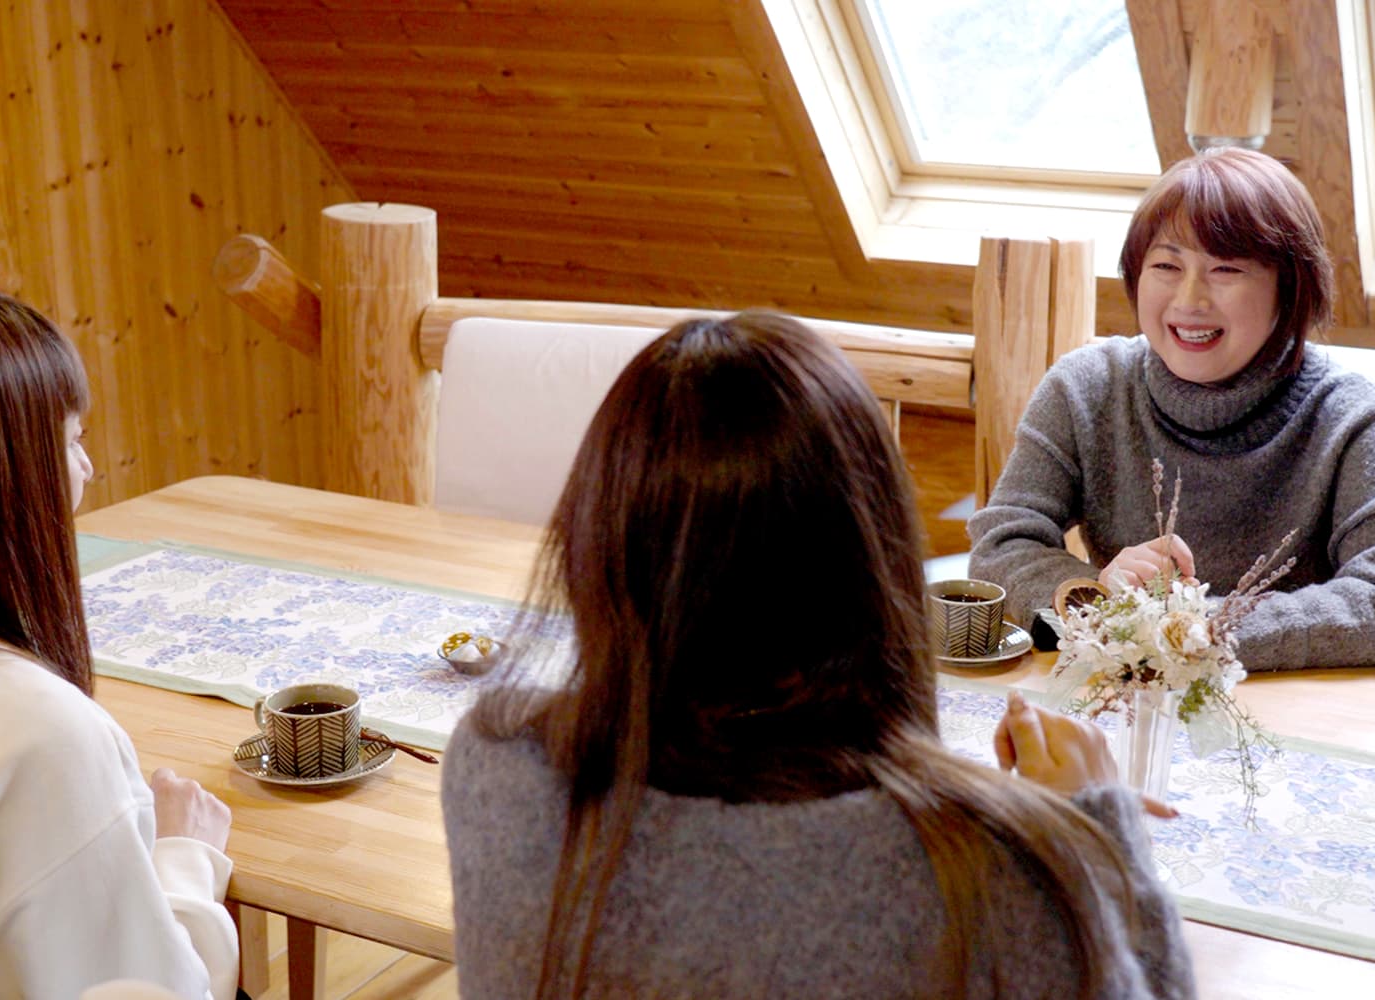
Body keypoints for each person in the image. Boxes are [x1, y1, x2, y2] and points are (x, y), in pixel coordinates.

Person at [442, 311, 1194, 999]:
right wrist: (1101, 832)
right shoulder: (996, 868)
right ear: (873, 563)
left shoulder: (498, 767)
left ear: (597, 549)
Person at [969, 148, 1375, 671]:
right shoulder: (1087, 387)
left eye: (1225, 268)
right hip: (1125, 696)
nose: (1190, 299)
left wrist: (1194, 630)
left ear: (1289, 287)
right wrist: (1098, 599)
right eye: (1166, 266)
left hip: (1289, 703)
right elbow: (1001, 546)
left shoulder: (1353, 417)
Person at [0, 282, 239, 1000]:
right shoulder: (38, 733)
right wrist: (186, 861)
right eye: (71, 440)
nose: (86, 467)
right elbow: (151, 990)